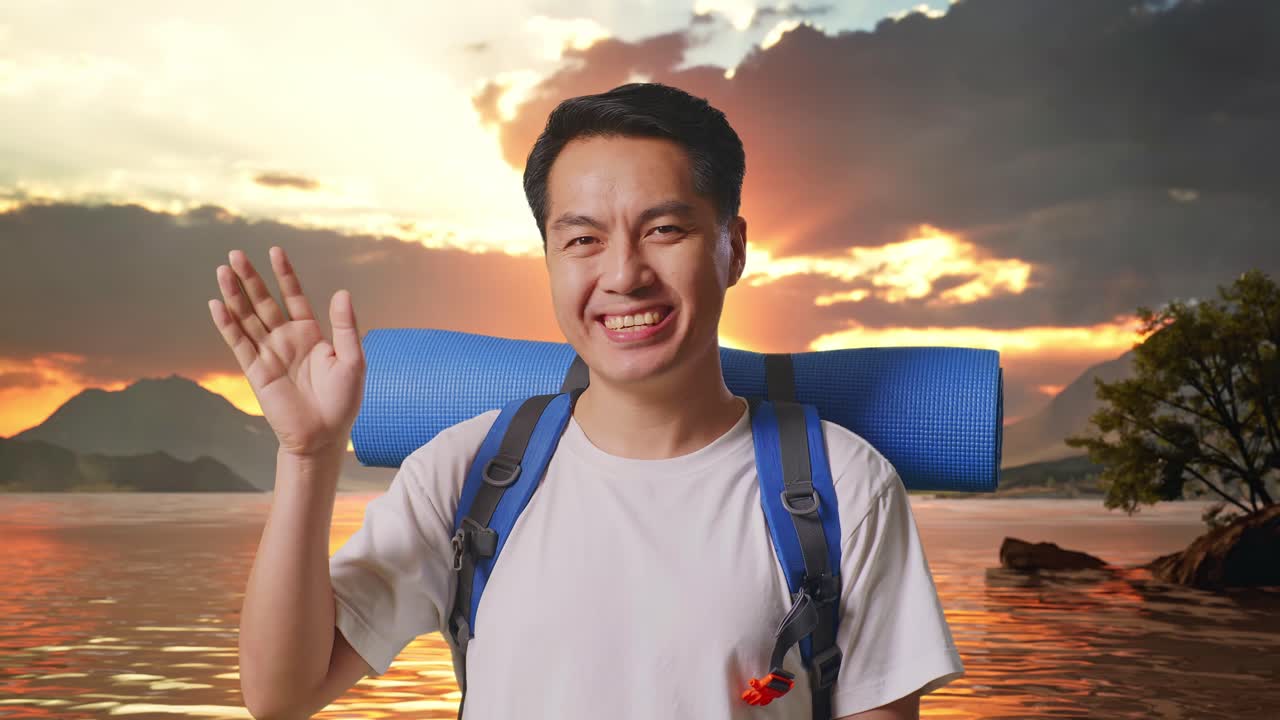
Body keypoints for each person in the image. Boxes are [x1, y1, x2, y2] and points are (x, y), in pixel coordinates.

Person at [215, 82, 964, 720]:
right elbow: (280, 694)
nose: (624, 275)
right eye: (582, 240)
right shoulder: (468, 473)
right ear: (548, 256)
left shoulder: (843, 487)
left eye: (664, 230)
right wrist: (308, 455)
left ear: (733, 247)